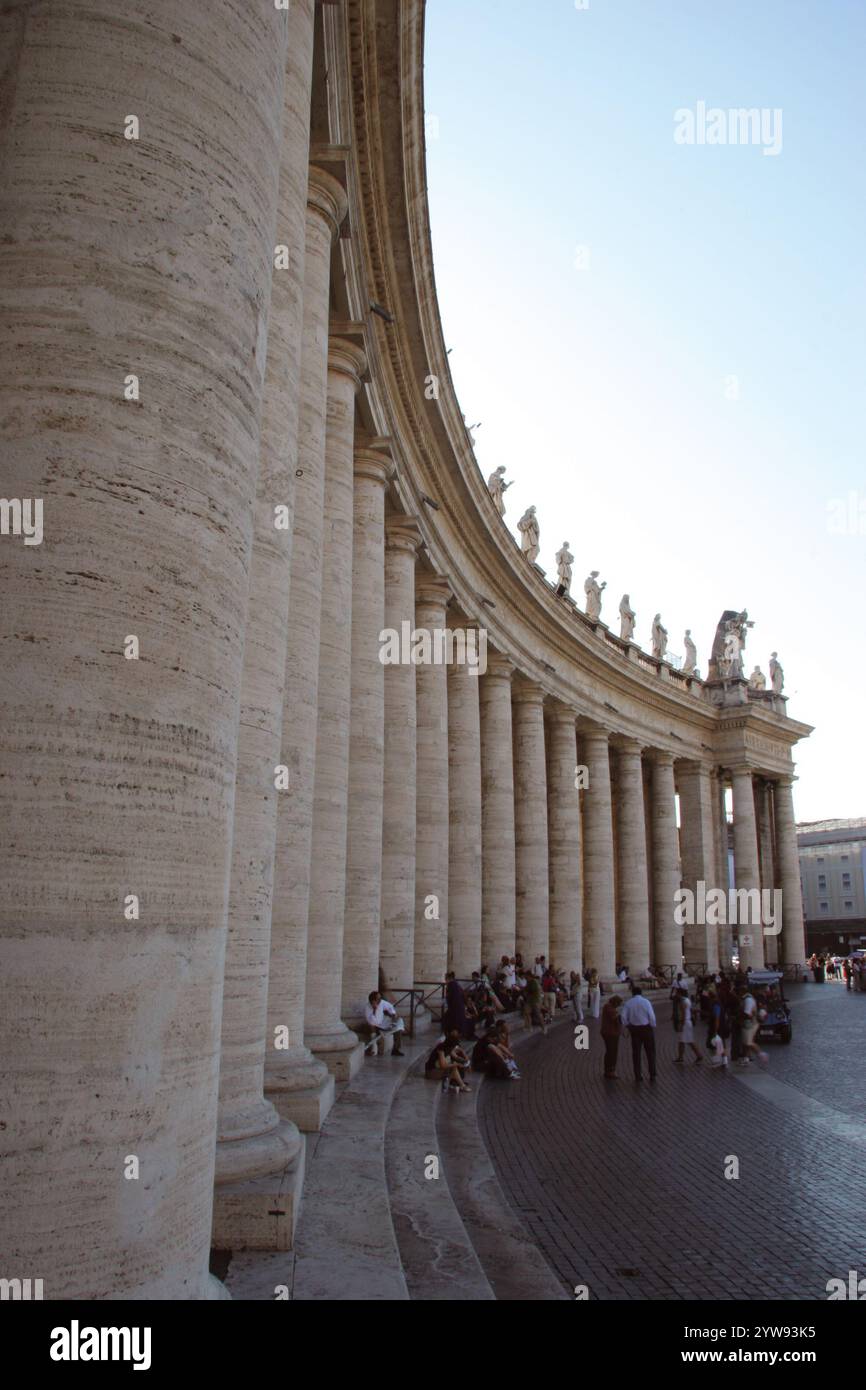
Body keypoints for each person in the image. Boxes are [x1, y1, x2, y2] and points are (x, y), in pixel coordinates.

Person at [620, 987, 657, 1081]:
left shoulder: (628, 1003)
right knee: (650, 1052)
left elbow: (623, 1017)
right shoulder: (646, 1002)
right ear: (641, 993)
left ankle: (637, 1075)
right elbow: (651, 1016)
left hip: (635, 1029)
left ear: (632, 993)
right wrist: (652, 1025)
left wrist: (628, 1025)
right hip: (646, 1028)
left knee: (636, 1053)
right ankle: (652, 1073)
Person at [363, 990, 405, 1057]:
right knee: (371, 1026)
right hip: (375, 1026)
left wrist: (393, 1015)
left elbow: (390, 1007)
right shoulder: (367, 1008)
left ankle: (395, 1050)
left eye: (380, 998)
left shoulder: (381, 1002)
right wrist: (374, 1009)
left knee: (398, 1026)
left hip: (383, 1022)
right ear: (373, 1000)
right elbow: (372, 1022)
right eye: (378, 999)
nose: (380, 1000)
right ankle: (374, 1048)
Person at [674, 989, 702, 1066]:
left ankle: (699, 1055)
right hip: (687, 1022)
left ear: (680, 993)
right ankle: (680, 1057)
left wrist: (681, 1025)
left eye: (677, 993)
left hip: (685, 1023)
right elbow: (691, 1010)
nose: (676, 994)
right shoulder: (687, 1000)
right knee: (682, 1041)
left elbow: (683, 1014)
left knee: (689, 1041)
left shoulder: (682, 1002)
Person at [600, 994, 623, 1079]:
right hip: (610, 1033)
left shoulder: (608, 1007)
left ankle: (608, 1070)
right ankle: (610, 1070)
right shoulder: (609, 1008)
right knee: (612, 1052)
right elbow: (615, 1018)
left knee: (610, 1051)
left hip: (609, 1032)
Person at [522, 969, 546, 1034]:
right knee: (527, 1013)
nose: (525, 978)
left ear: (529, 976)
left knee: (538, 1015)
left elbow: (532, 990)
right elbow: (526, 990)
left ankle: (543, 1028)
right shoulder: (528, 982)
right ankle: (529, 1027)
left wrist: (526, 991)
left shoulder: (534, 982)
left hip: (535, 1001)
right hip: (529, 1001)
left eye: (526, 976)